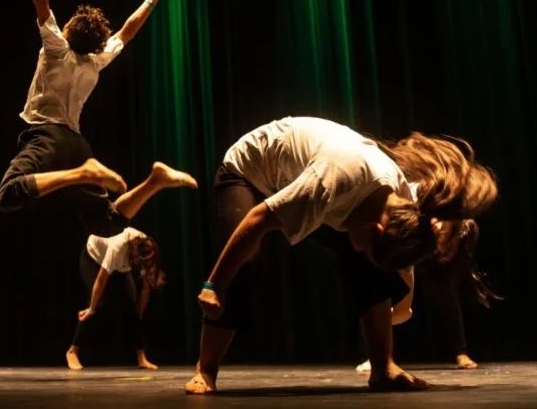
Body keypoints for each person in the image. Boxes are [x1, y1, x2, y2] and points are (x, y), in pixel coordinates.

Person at [184, 116, 497, 395]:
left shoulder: (401, 205)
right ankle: (206, 369)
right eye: (365, 244)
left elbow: (396, 264)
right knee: (245, 264)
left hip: (320, 182)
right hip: (251, 169)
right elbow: (256, 221)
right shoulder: (331, 183)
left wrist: (402, 306)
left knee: (367, 267)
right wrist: (214, 286)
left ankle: (383, 368)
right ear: (375, 229)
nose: (357, 246)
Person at [0, 0, 173, 235]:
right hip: (76, 144)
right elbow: (127, 32)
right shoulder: (95, 61)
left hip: (46, 137)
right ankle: (154, 181)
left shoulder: (56, 48)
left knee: (8, 195)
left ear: (66, 31)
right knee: (108, 225)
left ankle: (81, 174)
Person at [356, 219, 500, 372]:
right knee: (388, 296)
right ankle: (378, 355)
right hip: (410, 249)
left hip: (434, 259)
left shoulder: (458, 226)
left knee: (444, 293)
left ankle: (460, 352)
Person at [67, 227, 165, 370]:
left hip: (121, 267)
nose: (145, 265)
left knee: (132, 308)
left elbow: (145, 288)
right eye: (142, 263)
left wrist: (139, 314)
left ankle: (141, 357)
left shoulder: (146, 246)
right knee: (97, 304)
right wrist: (91, 309)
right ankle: (72, 351)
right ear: (134, 255)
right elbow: (101, 279)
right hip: (93, 258)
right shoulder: (117, 249)